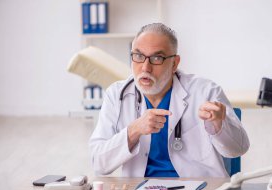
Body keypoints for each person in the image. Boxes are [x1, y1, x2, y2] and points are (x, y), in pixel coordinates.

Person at [89, 23, 250, 177]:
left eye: (157, 58)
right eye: (138, 56)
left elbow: (239, 148)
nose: (145, 67)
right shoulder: (116, 95)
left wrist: (219, 126)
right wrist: (134, 130)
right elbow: (98, 163)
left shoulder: (205, 91)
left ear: (174, 63)